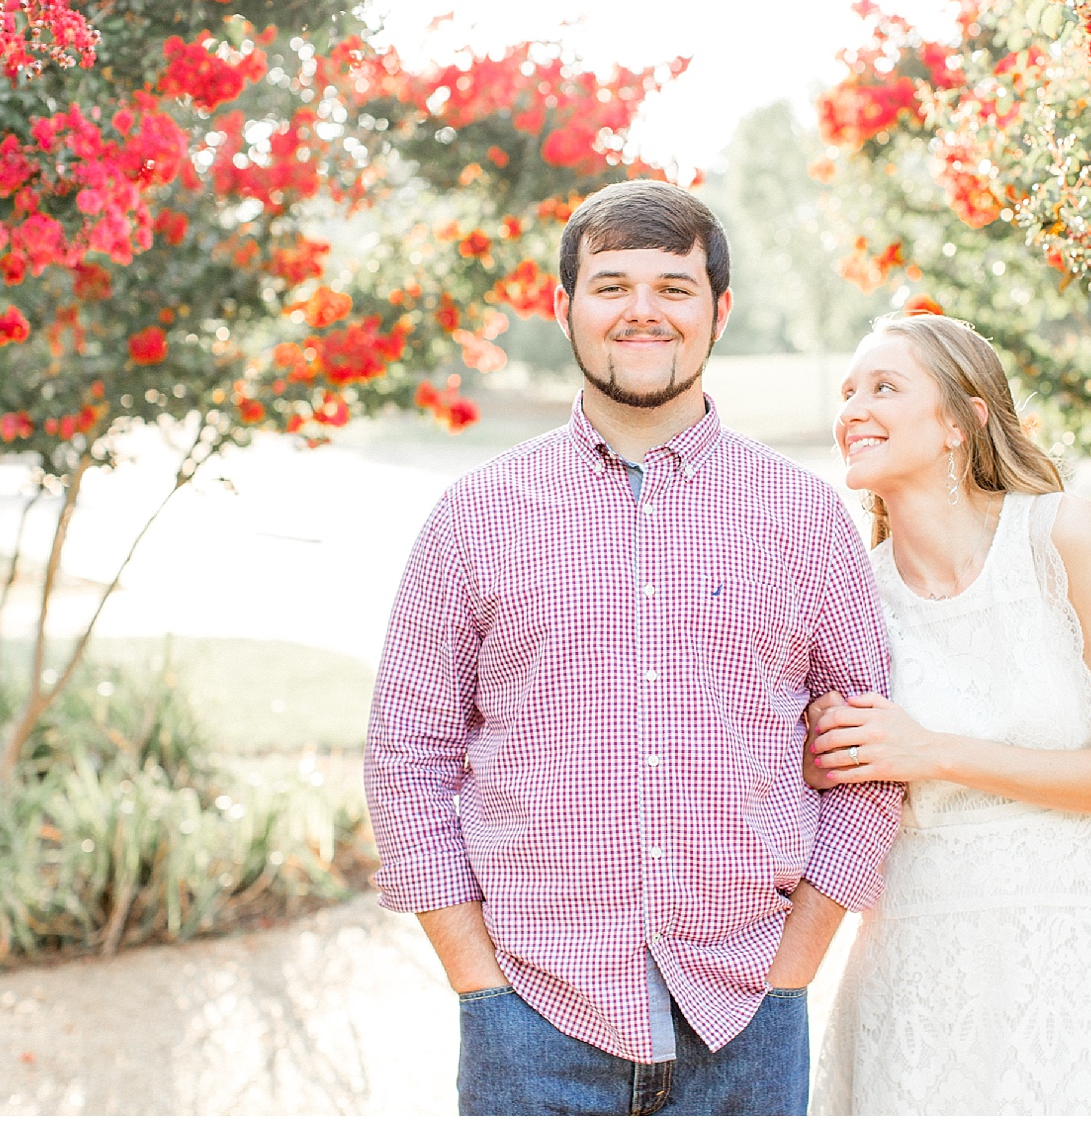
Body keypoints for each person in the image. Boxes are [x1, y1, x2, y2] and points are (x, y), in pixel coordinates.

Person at [363, 181, 902, 1116]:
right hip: (529, 1021)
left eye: (673, 287)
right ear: (563, 305)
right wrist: (475, 976)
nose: (642, 310)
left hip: (746, 1019)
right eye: (611, 285)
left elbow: (870, 756)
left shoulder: (804, 518)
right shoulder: (475, 516)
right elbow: (407, 754)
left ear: (718, 311)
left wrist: (794, 964)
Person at [807, 312, 1091, 1115]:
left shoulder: (1065, 535)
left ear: (961, 420)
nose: (853, 410)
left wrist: (933, 751)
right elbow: (831, 785)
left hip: (1079, 948)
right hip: (918, 960)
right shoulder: (851, 593)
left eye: (883, 386)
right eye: (847, 392)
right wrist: (823, 764)